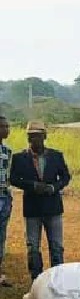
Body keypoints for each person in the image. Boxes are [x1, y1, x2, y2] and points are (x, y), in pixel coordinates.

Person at [10, 122, 71, 281]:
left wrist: (53, 187)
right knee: (32, 247)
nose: (34, 139)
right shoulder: (19, 158)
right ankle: (36, 281)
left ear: (45, 136)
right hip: (32, 208)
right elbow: (14, 179)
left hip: (53, 208)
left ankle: (58, 281)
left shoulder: (56, 156)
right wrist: (33, 186)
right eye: (31, 136)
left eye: (37, 136)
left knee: (56, 247)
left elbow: (65, 177)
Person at [0, 117, 12, 287]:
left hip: (4, 196)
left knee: (1, 236)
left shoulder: (8, 151)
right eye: (3, 126)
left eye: (7, 126)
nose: (7, 129)